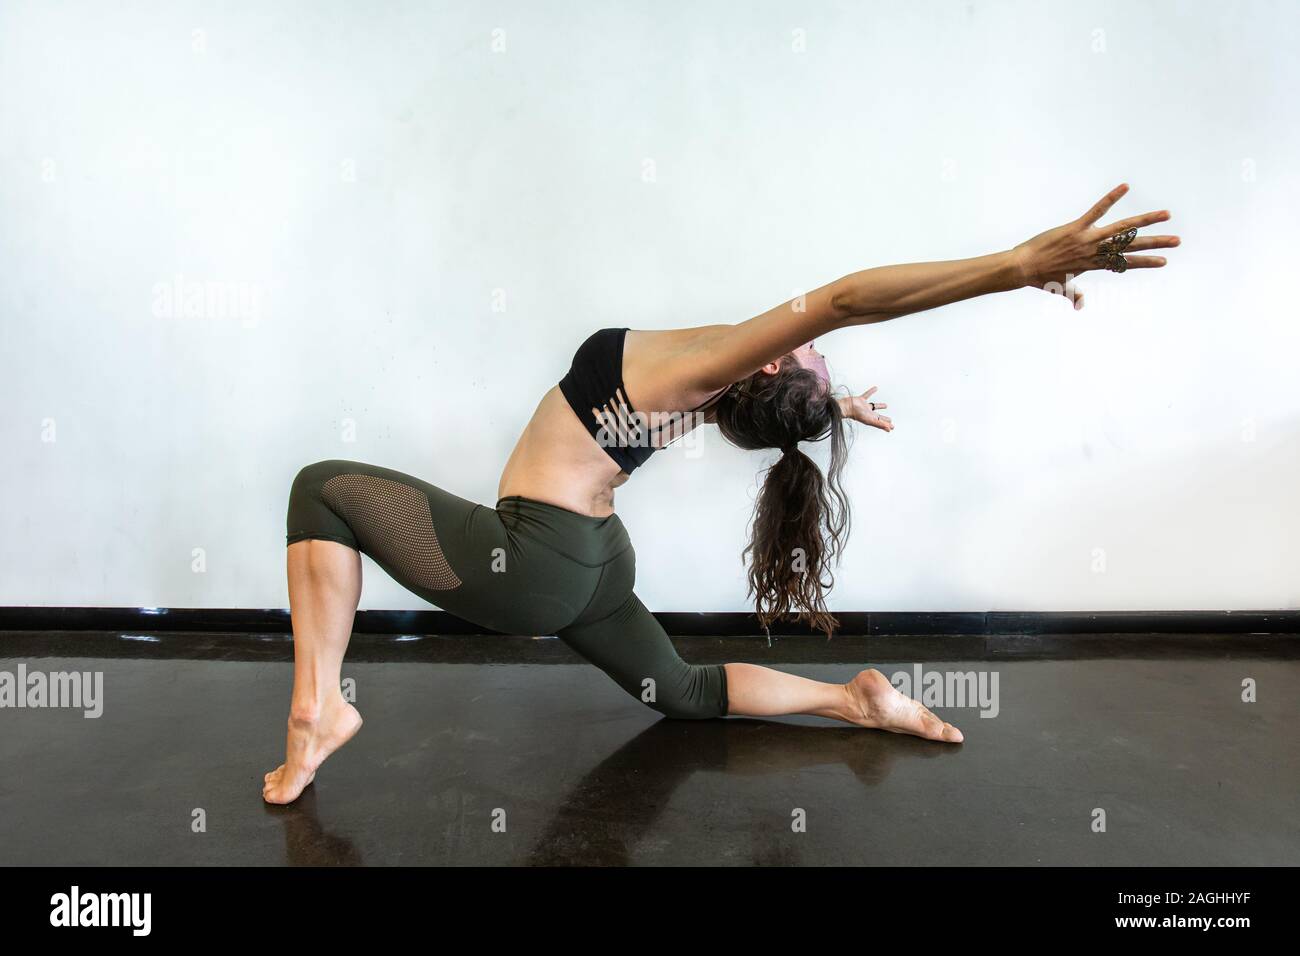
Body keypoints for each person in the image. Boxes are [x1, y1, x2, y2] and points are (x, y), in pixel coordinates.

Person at [264, 183, 1178, 804]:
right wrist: (829, 404)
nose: (823, 355)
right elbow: (783, 384)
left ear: (775, 358)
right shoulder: (714, 386)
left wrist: (1011, 266)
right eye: (820, 372)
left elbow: (848, 298)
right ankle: (855, 701)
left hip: (534, 562)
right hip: (595, 569)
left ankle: (318, 708)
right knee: (688, 692)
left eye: (813, 362)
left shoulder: (712, 366)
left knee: (319, 490)